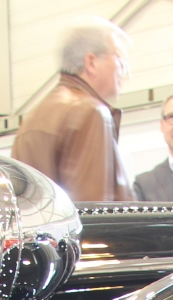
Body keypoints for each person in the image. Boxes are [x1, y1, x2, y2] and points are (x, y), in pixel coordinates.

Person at [11, 19, 134, 202]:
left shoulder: (33, 118)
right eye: (119, 60)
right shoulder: (90, 112)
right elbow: (93, 214)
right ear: (91, 62)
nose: (125, 73)